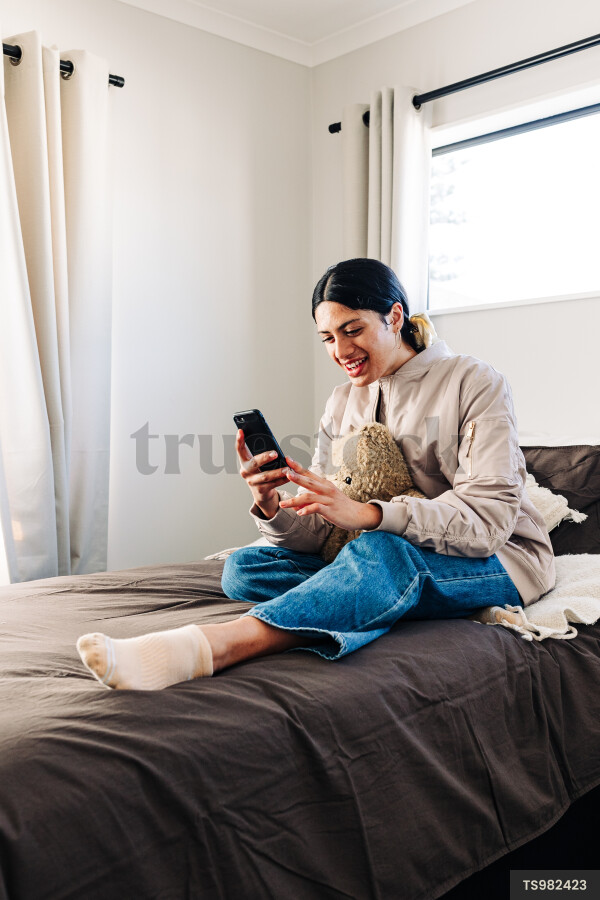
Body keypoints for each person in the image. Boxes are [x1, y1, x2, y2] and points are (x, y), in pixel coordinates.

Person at [77, 258, 555, 690]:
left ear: (394, 317)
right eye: (328, 337)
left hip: (498, 559)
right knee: (245, 568)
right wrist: (272, 505)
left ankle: (215, 645)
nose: (340, 350)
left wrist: (369, 514)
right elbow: (325, 528)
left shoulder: (472, 381)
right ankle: (373, 594)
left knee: (382, 553)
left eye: (352, 330)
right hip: (373, 551)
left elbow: (487, 522)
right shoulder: (342, 401)